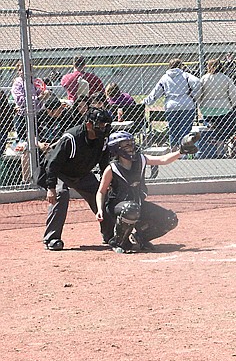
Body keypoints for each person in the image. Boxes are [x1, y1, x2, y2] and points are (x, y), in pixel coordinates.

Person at [95, 130, 199, 253]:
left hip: (137, 204)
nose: (131, 147)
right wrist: (100, 210)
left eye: (131, 143)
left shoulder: (141, 159)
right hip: (117, 207)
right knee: (130, 209)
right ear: (116, 148)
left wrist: (181, 151)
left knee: (170, 219)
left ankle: (140, 238)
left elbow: (163, 159)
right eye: (126, 145)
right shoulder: (112, 168)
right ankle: (118, 241)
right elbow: (101, 191)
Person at [41, 107, 114, 251]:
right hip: (60, 173)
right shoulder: (71, 138)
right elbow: (53, 164)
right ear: (88, 125)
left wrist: (107, 182)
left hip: (82, 173)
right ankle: (52, 239)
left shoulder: (103, 139)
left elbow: (104, 163)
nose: (103, 128)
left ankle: (110, 235)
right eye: (100, 125)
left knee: (100, 194)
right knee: (61, 194)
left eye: (105, 125)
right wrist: (51, 188)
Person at [143, 58, 200, 149]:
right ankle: (184, 151)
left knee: (173, 131)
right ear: (180, 66)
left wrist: (146, 101)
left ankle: (174, 151)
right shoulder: (185, 75)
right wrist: (193, 95)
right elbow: (197, 82)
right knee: (185, 130)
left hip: (171, 106)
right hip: (186, 105)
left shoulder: (165, 77)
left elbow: (156, 92)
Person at [195, 58, 236, 158]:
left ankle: (207, 148)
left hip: (207, 108)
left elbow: (199, 94)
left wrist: (200, 104)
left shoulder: (204, 79)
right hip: (223, 108)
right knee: (222, 130)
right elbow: (232, 94)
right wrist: (233, 104)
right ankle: (220, 151)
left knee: (210, 127)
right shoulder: (226, 78)